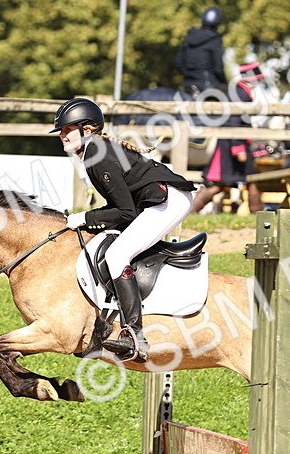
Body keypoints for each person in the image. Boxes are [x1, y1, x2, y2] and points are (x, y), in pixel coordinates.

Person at [55, 98, 197, 362]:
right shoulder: (95, 152)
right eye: (61, 132)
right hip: (157, 199)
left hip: (169, 200)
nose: (62, 136)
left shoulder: (98, 156)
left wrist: (84, 216)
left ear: (87, 130)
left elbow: (125, 212)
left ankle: (134, 335)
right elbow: (121, 207)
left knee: (118, 255)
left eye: (67, 130)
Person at [190, 62, 265, 214]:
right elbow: (233, 120)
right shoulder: (240, 93)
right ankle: (188, 213)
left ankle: (260, 218)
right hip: (233, 143)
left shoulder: (240, 92)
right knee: (217, 185)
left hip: (235, 141)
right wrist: (237, 147)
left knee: (251, 181)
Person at [175, 6, 227, 95]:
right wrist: (225, 83)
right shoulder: (215, 39)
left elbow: (178, 62)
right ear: (218, 23)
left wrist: (188, 76)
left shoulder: (189, 37)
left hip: (189, 86)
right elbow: (218, 68)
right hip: (209, 85)